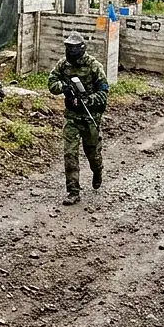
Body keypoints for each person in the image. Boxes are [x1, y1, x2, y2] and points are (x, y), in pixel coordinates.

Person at [48, 33, 109, 205]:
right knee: (70, 154)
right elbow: (52, 82)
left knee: (93, 154)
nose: (70, 51)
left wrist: (88, 100)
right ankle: (73, 191)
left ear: (81, 48)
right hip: (72, 117)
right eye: (68, 48)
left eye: (73, 48)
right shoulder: (63, 65)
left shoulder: (94, 66)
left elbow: (104, 92)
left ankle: (98, 171)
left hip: (91, 118)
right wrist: (64, 88)